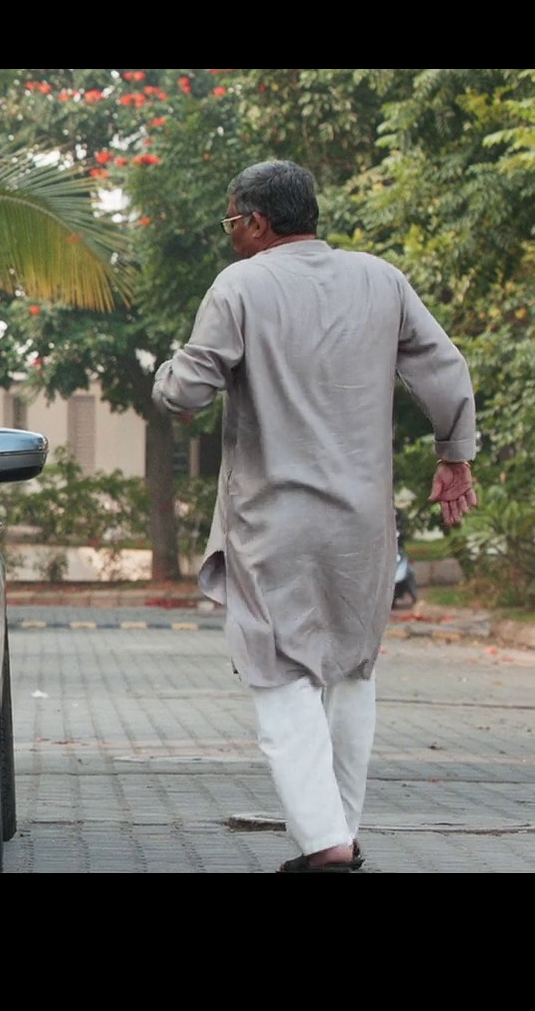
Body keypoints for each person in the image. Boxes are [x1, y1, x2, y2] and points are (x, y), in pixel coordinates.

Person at [152, 160, 478, 873]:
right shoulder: (382, 280)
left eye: (231, 221)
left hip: (273, 520)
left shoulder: (241, 285)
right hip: (363, 520)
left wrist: (166, 376)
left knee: (279, 671)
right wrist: (454, 454)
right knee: (353, 668)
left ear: (258, 222)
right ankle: (341, 832)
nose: (230, 234)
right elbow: (443, 366)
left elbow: (188, 392)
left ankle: (326, 844)